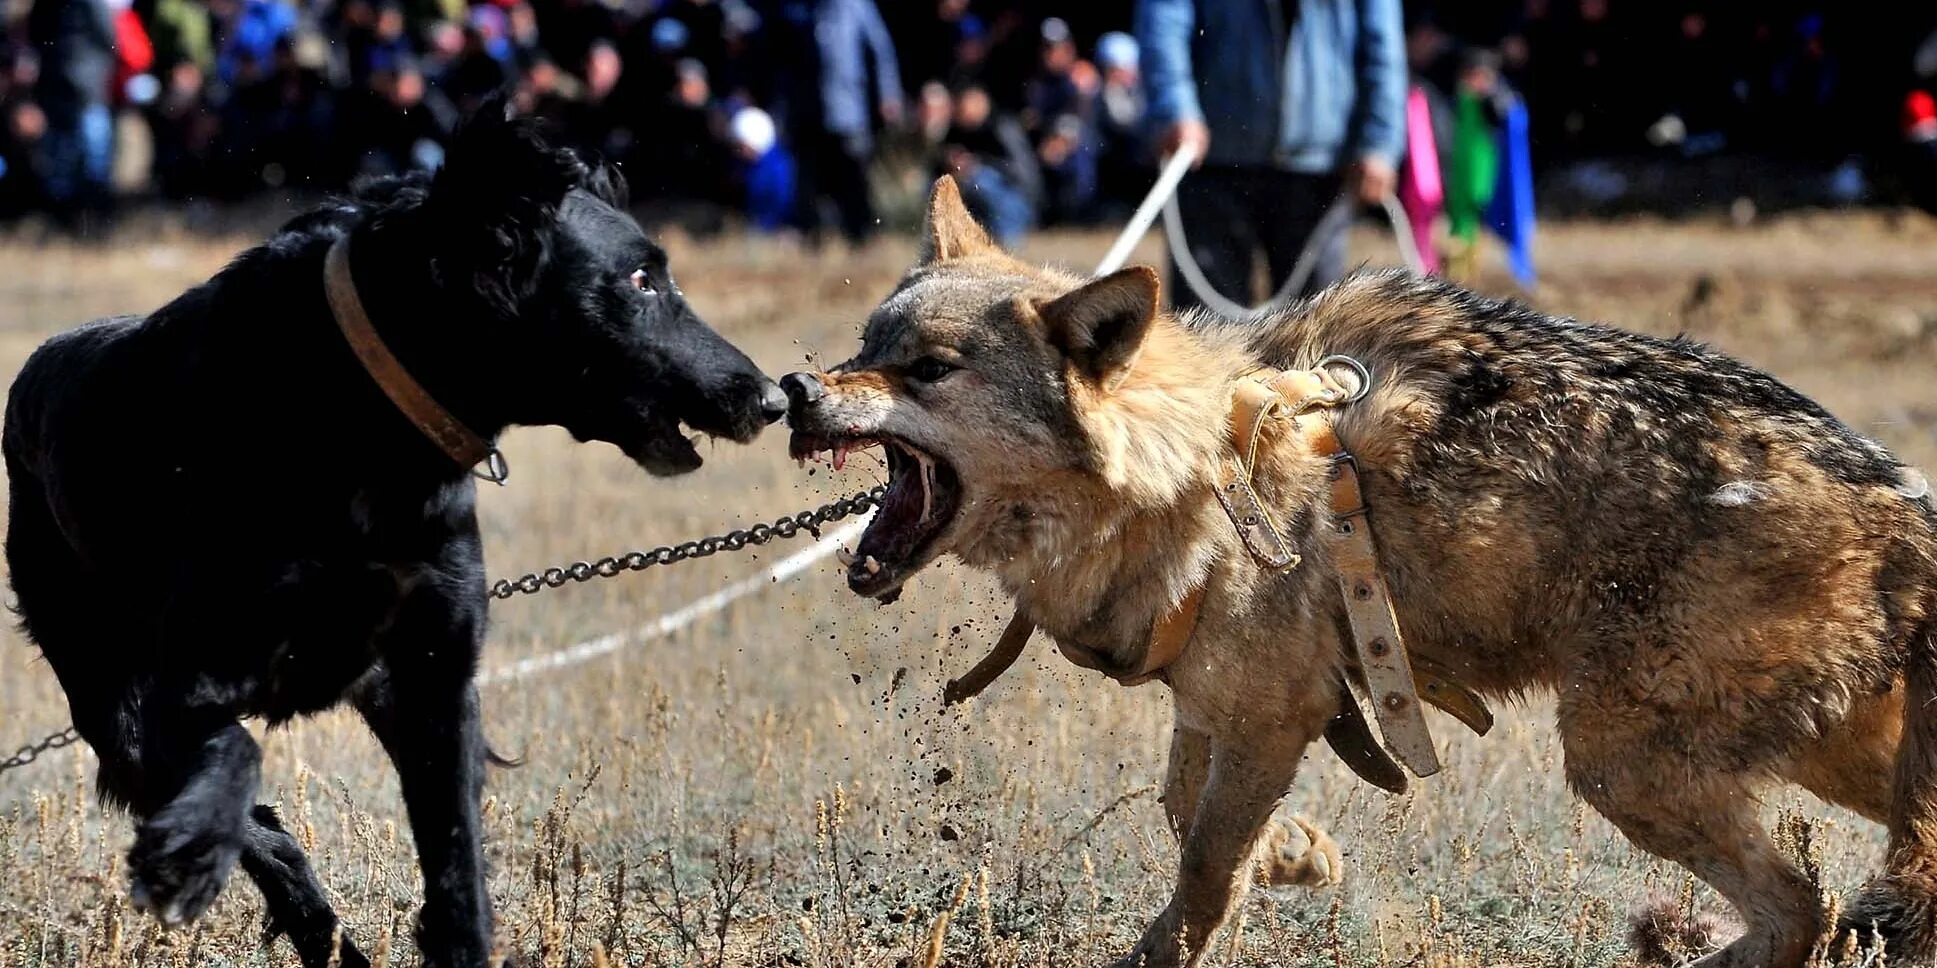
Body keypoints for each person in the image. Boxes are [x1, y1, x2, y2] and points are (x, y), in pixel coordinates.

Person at [1136, 0, 1406, 313]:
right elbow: (1164, 20)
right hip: (1213, 161)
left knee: (1314, 332)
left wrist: (1380, 143)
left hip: (1321, 165)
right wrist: (1174, 108)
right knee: (1205, 331)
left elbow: (1383, 47)